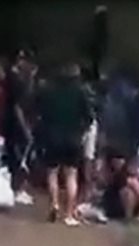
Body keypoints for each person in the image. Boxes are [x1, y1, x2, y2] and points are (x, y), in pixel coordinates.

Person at [36, 61, 93, 225]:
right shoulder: (80, 93)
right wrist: (82, 132)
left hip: (53, 137)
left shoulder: (50, 91)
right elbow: (89, 117)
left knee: (52, 172)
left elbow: (42, 114)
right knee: (71, 174)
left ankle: (54, 204)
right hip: (73, 138)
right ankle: (68, 214)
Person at [2, 49, 38, 205]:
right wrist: (25, 128)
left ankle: (15, 188)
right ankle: (18, 189)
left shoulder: (12, 77)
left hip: (11, 122)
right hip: (16, 123)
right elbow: (18, 105)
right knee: (20, 157)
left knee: (15, 156)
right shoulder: (16, 80)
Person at [99, 149, 139, 222]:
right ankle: (128, 218)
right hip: (114, 204)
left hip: (137, 204)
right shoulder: (120, 176)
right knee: (127, 193)